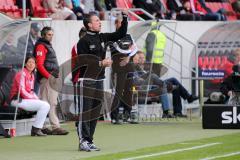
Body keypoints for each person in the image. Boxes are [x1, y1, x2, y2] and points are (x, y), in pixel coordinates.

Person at [76, 11, 128, 152]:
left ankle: (90, 140)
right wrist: (100, 63)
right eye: (97, 20)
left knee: (95, 113)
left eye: (99, 20)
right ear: (89, 24)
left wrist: (125, 17)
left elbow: (120, 34)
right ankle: (83, 141)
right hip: (86, 80)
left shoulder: (103, 37)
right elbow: (83, 60)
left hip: (100, 79)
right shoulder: (83, 41)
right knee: (85, 112)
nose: (100, 22)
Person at [135, 51, 198, 117]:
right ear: (136, 58)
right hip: (147, 87)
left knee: (174, 82)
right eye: (140, 58)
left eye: (143, 58)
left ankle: (178, 112)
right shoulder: (135, 68)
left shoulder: (146, 67)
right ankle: (167, 112)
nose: (142, 59)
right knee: (163, 86)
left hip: (156, 84)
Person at [33, 26, 69, 135]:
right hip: (48, 78)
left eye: (52, 35)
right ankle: (55, 127)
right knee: (51, 103)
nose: (51, 37)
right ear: (43, 35)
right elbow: (39, 65)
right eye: (49, 34)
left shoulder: (46, 45)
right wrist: (49, 77)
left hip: (49, 77)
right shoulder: (41, 46)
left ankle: (41, 126)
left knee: (45, 102)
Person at [9, 56, 50, 136]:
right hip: (17, 100)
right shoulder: (21, 74)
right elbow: (22, 91)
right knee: (45, 105)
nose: (31, 64)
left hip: (25, 100)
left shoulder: (32, 75)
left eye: (33, 63)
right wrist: (35, 100)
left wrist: (36, 99)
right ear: (25, 64)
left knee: (45, 105)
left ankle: (38, 128)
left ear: (35, 65)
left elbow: (31, 91)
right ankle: (36, 129)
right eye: (29, 62)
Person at [110, 17, 138, 124]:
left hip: (129, 67)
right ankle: (114, 117)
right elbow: (118, 49)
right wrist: (129, 53)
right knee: (118, 92)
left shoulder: (129, 36)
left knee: (129, 92)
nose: (122, 25)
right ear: (116, 24)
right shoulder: (112, 37)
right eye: (120, 23)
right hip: (118, 68)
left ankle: (128, 115)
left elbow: (135, 48)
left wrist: (128, 56)